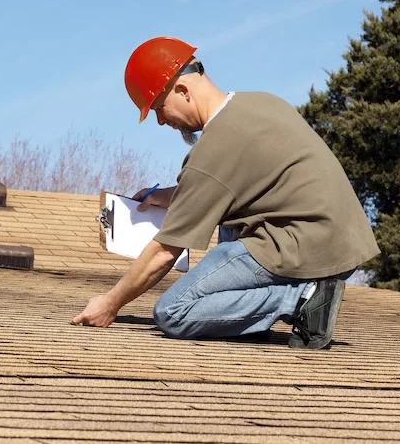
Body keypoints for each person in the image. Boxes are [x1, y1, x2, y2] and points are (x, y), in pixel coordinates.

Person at [72, 36, 380, 349]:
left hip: (304, 247)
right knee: (229, 218)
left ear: (182, 90)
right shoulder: (260, 103)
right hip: (337, 240)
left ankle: (302, 299)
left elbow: (165, 252)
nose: (161, 121)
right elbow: (224, 185)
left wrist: (110, 303)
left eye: (158, 108)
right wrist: (164, 196)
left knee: (172, 312)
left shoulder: (213, 149)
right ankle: (250, 319)